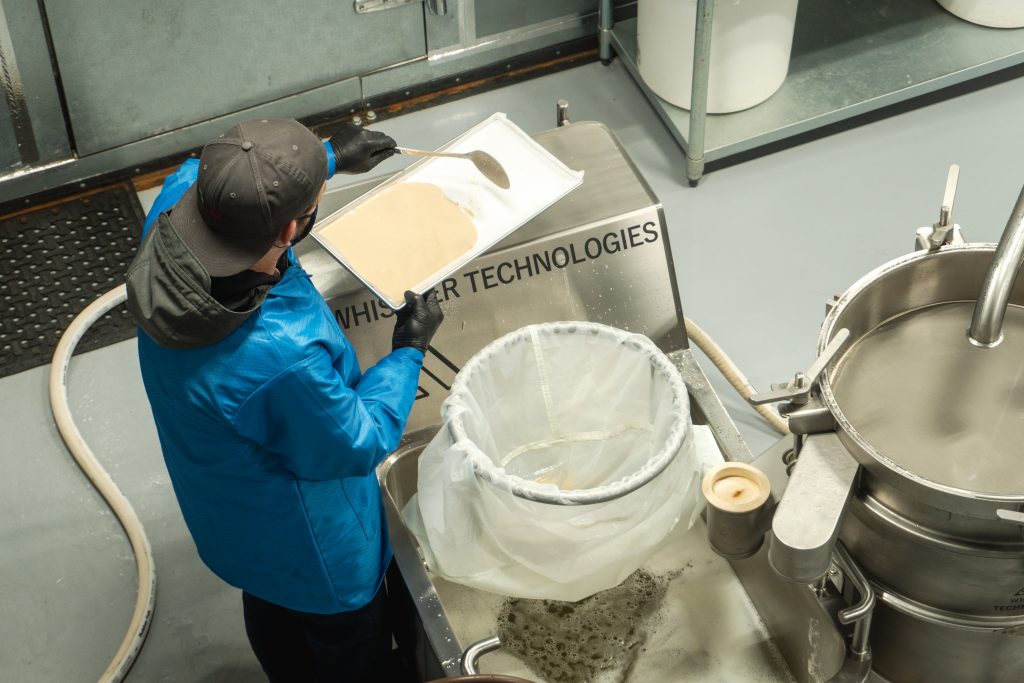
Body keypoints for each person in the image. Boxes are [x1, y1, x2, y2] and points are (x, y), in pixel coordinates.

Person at [125, 118, 443, 682]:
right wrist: (406, 351)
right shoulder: (278, 356)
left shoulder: (174, 206)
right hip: (314, 548)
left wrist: (326, 156)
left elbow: (218, 182)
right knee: (348, 650)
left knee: (272, 608)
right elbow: (358, 440)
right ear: (293, 227)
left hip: (232, 514)